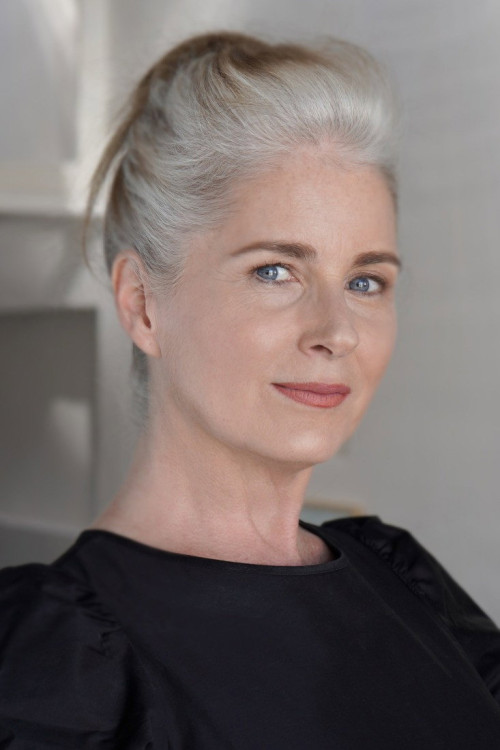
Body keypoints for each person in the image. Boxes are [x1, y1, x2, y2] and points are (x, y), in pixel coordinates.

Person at [1, 30, 499, 749]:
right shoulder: (58, 665)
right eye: (275, 271)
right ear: (143, 305)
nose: (337, 331)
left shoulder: (403, 579)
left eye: (366, 281)